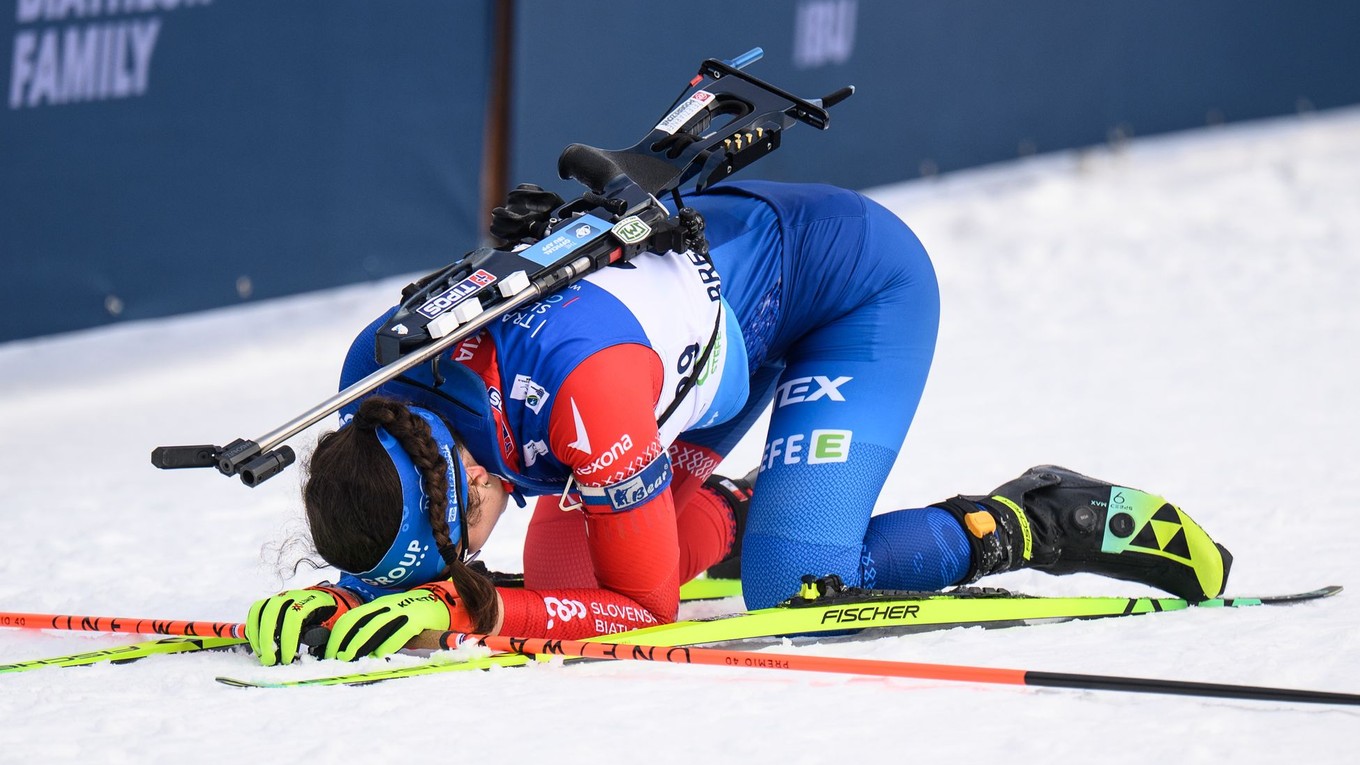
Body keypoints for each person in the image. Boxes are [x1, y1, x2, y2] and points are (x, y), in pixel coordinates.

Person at [246, 180, 1232, 665]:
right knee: (559, 577)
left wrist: (476, 609)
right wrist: (350, 596)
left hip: (847, 287)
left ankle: (1030, 518)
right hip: (685, 354)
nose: (455, 567)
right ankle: (733, 506)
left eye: (452, 552)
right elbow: (427, 536)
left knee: (796, 587)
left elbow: (644, 615)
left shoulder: (582, 397)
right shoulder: (374, 389)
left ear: (465, 487)